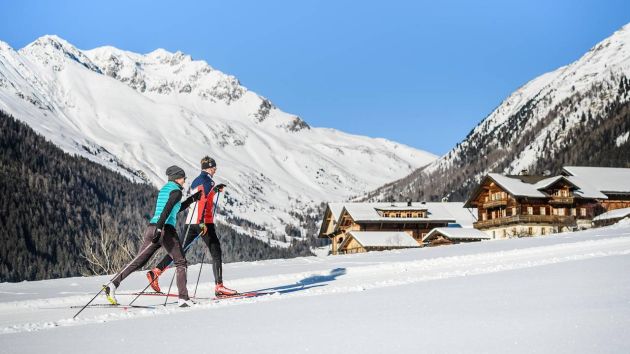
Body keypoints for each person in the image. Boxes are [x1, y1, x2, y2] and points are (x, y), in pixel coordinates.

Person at [104, 165, 201, 307]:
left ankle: (112, 284)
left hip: (151, 228)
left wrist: (192, 199)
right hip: (165, 230)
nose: (184, 181)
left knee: (138, 261)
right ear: (178, 178)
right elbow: (168, 209)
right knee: (180, 262)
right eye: (184, 178)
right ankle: (184, 299)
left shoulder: (165, 190)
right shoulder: (176, 192)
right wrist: (161, 228)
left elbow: (176, 208)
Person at [146, 156, 238, 297]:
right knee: (216, 251)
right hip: (203, 222)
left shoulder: (197, 180)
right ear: (209, 168)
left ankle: (156, 272)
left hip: (191, 222)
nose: (215, 170)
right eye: (214, 167)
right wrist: (202, 222)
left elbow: (200, 196)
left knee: (179, 250)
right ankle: (219, 287)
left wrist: (214, 191)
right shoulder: (208, 181)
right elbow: (202, 202)